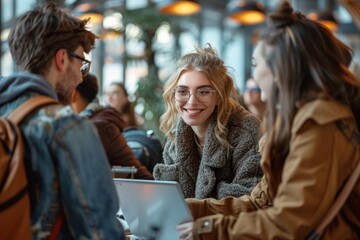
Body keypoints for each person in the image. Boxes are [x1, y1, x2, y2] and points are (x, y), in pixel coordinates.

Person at [176, 2, 360, 239]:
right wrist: (192, 209)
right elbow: (260, 203)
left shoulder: (319, 124)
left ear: (281, 67)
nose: (254, 75)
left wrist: (208, 229)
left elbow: (289, 223)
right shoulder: (299, 120)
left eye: (257, 64)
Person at [0, 3, 124, 239]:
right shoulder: (67, 127)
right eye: (81, 64)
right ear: (62, 59)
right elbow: (100, 232)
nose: (80, 77)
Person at [153, 44, 263, 200]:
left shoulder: (248, 132)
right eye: (183, 91)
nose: (191, 101)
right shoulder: (176, 140)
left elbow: (250, 201)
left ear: (218, 95)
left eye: (203, 92)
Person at [71, 73, 154, 179]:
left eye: (115, 93)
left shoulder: (98, 125)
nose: (110, 97)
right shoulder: (100, 118)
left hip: (134, 189)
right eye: (107, 93)